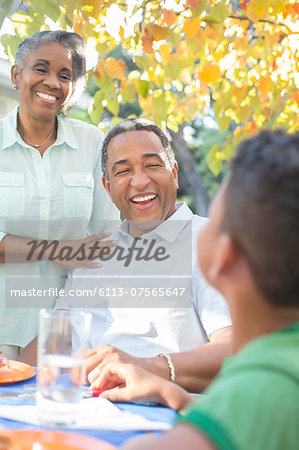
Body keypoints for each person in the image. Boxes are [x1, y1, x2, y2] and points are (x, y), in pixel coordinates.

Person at [87, 130, 299, 450]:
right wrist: (173, 394)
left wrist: (157, 370)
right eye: (124, 170)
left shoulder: (264, 383)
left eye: (217, 219)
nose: (140, 181)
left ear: (224, 255)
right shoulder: (276, 363)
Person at [56, 118, 232, 392]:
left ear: (174, 173)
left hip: (165, 419)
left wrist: (146, 366)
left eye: (152, 165)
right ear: (108, 187)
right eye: (124, 171)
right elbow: (56, 338)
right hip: (77, 411)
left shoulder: (211, 242)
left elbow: (237, 347)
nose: (139, 181)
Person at [0, 30, 119, 361]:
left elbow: (105, 243)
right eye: (41, 69)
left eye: (64, 75)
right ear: (16, 74)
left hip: (68, 330)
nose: (53, 82)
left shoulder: (93, 142)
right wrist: (57, 250)